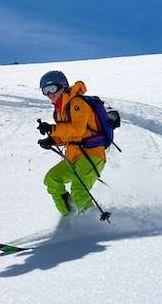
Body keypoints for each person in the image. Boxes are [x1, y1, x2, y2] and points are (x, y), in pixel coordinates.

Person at [37, 70, 106, 216]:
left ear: (62, 87)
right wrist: (52, 140)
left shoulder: (77, 103)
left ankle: (91, 223)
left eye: (52, 89)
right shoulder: (59, 111)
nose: (49, 94)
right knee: (52, 179)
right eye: (45, 91)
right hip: (73, 158)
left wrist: (53, 129)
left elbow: (78, 130)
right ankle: (69, 218)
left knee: (78, 190)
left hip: (92, 155)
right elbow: (67, 137)